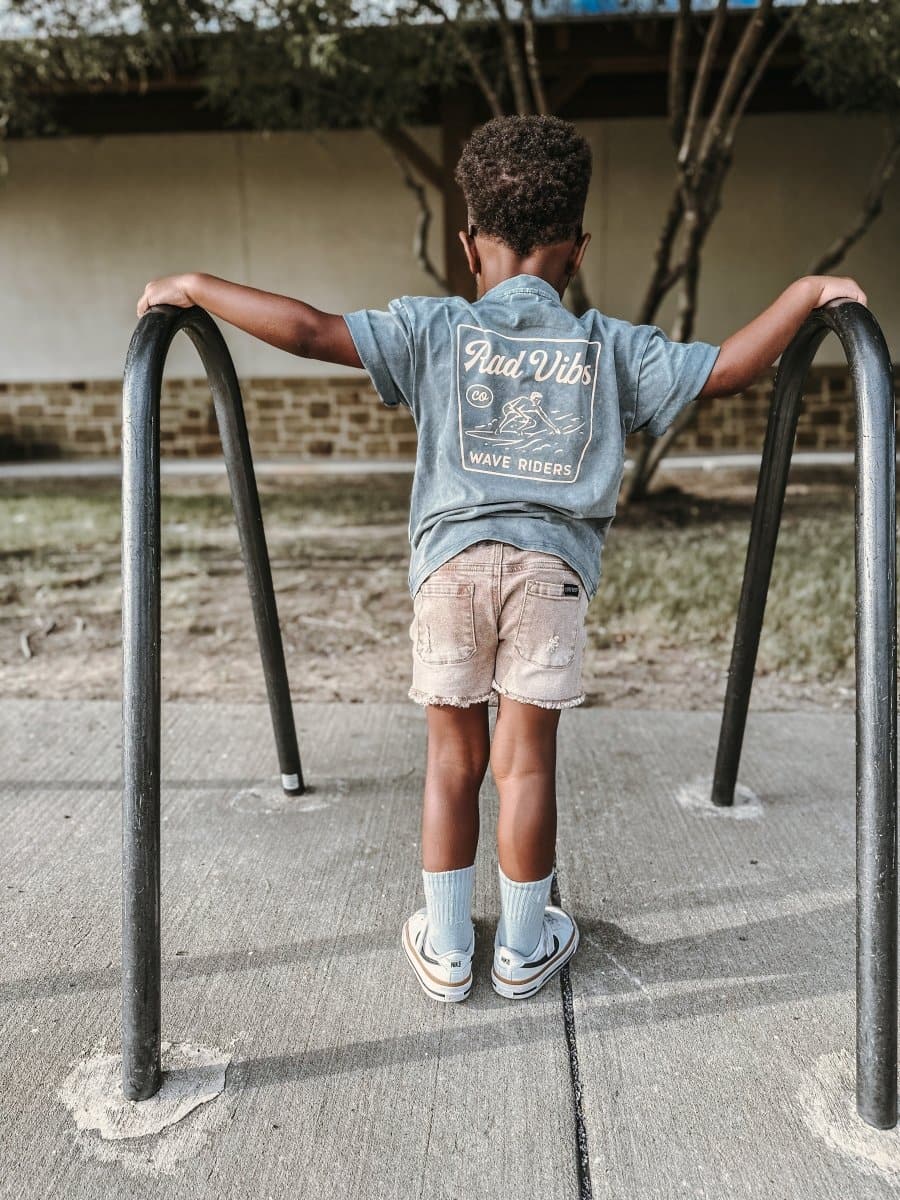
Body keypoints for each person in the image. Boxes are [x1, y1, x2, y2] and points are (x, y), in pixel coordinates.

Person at [137, 113, 867, 1005]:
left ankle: (445, 948)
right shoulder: (610, 347)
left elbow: (307, 330)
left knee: (452, 761)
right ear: (579, 249)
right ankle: (525, 946)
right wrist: (804, 293)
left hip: (450, 572)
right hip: (550, 580)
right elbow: (727, 370)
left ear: (469, 243)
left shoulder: (435, 328)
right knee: (524, 763)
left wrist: (194, 284)